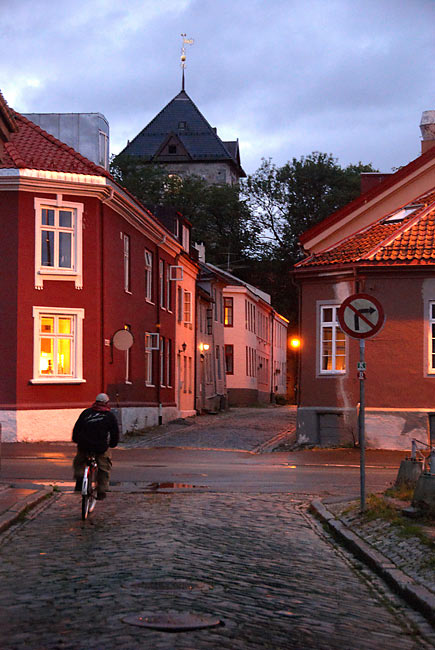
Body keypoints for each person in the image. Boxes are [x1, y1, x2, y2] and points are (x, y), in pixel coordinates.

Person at [72, 393, 119, 500]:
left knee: (79, 462)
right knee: (104, 467)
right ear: (107, 403)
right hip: (100, 446)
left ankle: (80, 480)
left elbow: (77, 428)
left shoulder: (86, 413)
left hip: (84, 445)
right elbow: (114, 433)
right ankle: (101, 490)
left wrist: (76, 439)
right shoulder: (109, 416)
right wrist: (112, 444)